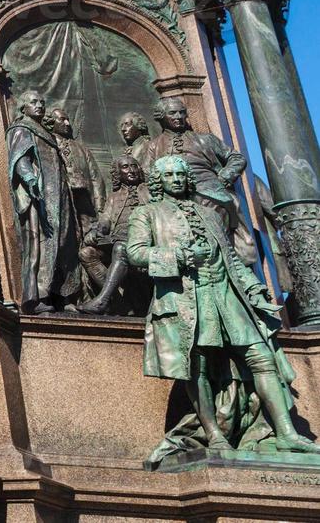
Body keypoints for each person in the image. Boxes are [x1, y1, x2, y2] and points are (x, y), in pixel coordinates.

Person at [128, 156, 317, 463]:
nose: (176, 179)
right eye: (169, 175)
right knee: (197, 369)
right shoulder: (147, 213)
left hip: (227, 294)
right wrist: (179, 255)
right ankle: (214, 435)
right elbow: (135, 253)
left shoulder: (209, 214)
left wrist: (252, 286)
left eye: (180, 174)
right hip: (186, 297)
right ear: (158, 181)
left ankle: (287, 433)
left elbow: (230, 257)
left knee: (262, 358)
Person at [144, 98, 255, 268]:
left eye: (182, 112)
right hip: (171, 194)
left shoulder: (206, 139)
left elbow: (236, 158)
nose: (178, 116)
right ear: (162, 117)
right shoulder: (154, 146)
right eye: (172, 113)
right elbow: (148, 173)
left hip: (209, 189)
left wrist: (224, 177)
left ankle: (223, 260)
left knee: (213, 209)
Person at [6, 90, 80, 313]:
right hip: (41, 195)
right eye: (33, 102)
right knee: (44, 243)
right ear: (23, 108)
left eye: (41, 102)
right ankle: (41, 295)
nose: (39, 105)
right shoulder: (21, 129)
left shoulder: (46, 132)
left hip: (59, 193)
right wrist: (29, 178)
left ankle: (66, 295)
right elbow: (20, 158)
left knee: (66, 241)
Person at [45, 106, 108, 294]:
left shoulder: (80, 149)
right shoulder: (47, 146)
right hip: (61, 208)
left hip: (85, 209)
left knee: (89, 248)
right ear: (50, 122)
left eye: (68, 119)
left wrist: (101, 208)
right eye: (62, 120)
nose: (67, 123)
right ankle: (70, 295)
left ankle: (94, 295)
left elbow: (97, 180)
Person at [79, 155, 146, 315]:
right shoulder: (114, 197)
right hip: (116, 240)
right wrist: (96, 232)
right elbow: (105, 222)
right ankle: (120, 303)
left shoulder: (149, 191)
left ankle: (101, 301)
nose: (131, 170)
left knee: (121, 248)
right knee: (86, 253)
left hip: (142, 242)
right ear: (118, 173)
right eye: (125, 167)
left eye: (134, 166)